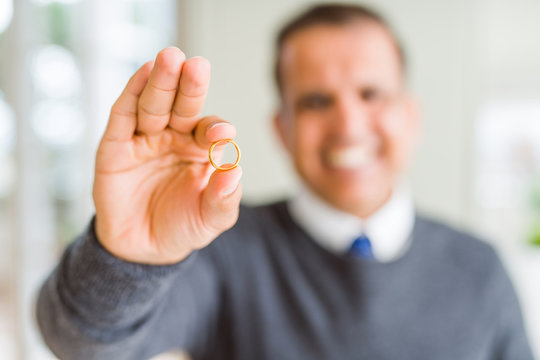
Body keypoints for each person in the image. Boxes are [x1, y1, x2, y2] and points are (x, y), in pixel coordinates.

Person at [37, 4, 534, 360]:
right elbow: (84, 345)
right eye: (316, 101)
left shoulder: (479, 268)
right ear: (282, 128)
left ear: (411, 116)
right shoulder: (222, 250)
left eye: (371, 94)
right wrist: (128, 257)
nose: (349, 124)